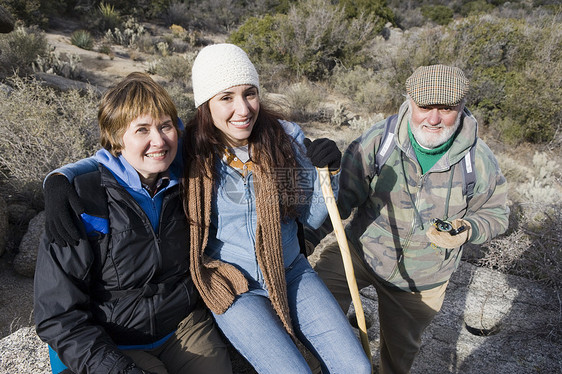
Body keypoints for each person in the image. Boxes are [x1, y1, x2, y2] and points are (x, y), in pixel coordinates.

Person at [42, 45, 372, 374]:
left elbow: (313, 217)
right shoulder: (191, 149)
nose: (242, 109)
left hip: (291, 271)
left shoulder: (285, 138)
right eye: (226, 97)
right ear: (206, 104)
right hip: (231, 282)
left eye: (250, 93)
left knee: (357, 367)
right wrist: (59, 178)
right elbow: (122, 155)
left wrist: (327, 173)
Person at [306, 64, 510, 374]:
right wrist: (304, 238)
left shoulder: (478, 161)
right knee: (314, 320)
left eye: (446, 108)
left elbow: (497, 214)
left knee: (397, 361)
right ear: (409, 101)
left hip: (423, 280)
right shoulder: (379, 141)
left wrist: (468, 229)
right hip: (358, 253)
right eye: (425, 106)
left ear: (461, 106)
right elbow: (341, 198)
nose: (434, 118)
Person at [35, 72, 232, 374]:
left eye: (165, 126)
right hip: (110, 340)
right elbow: (57, 314)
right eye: (142, 130)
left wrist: (308, 149)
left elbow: (243, 138)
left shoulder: (187, 175)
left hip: (180, 327)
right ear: (115, 139)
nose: (159, 140)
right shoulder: (83, 199)